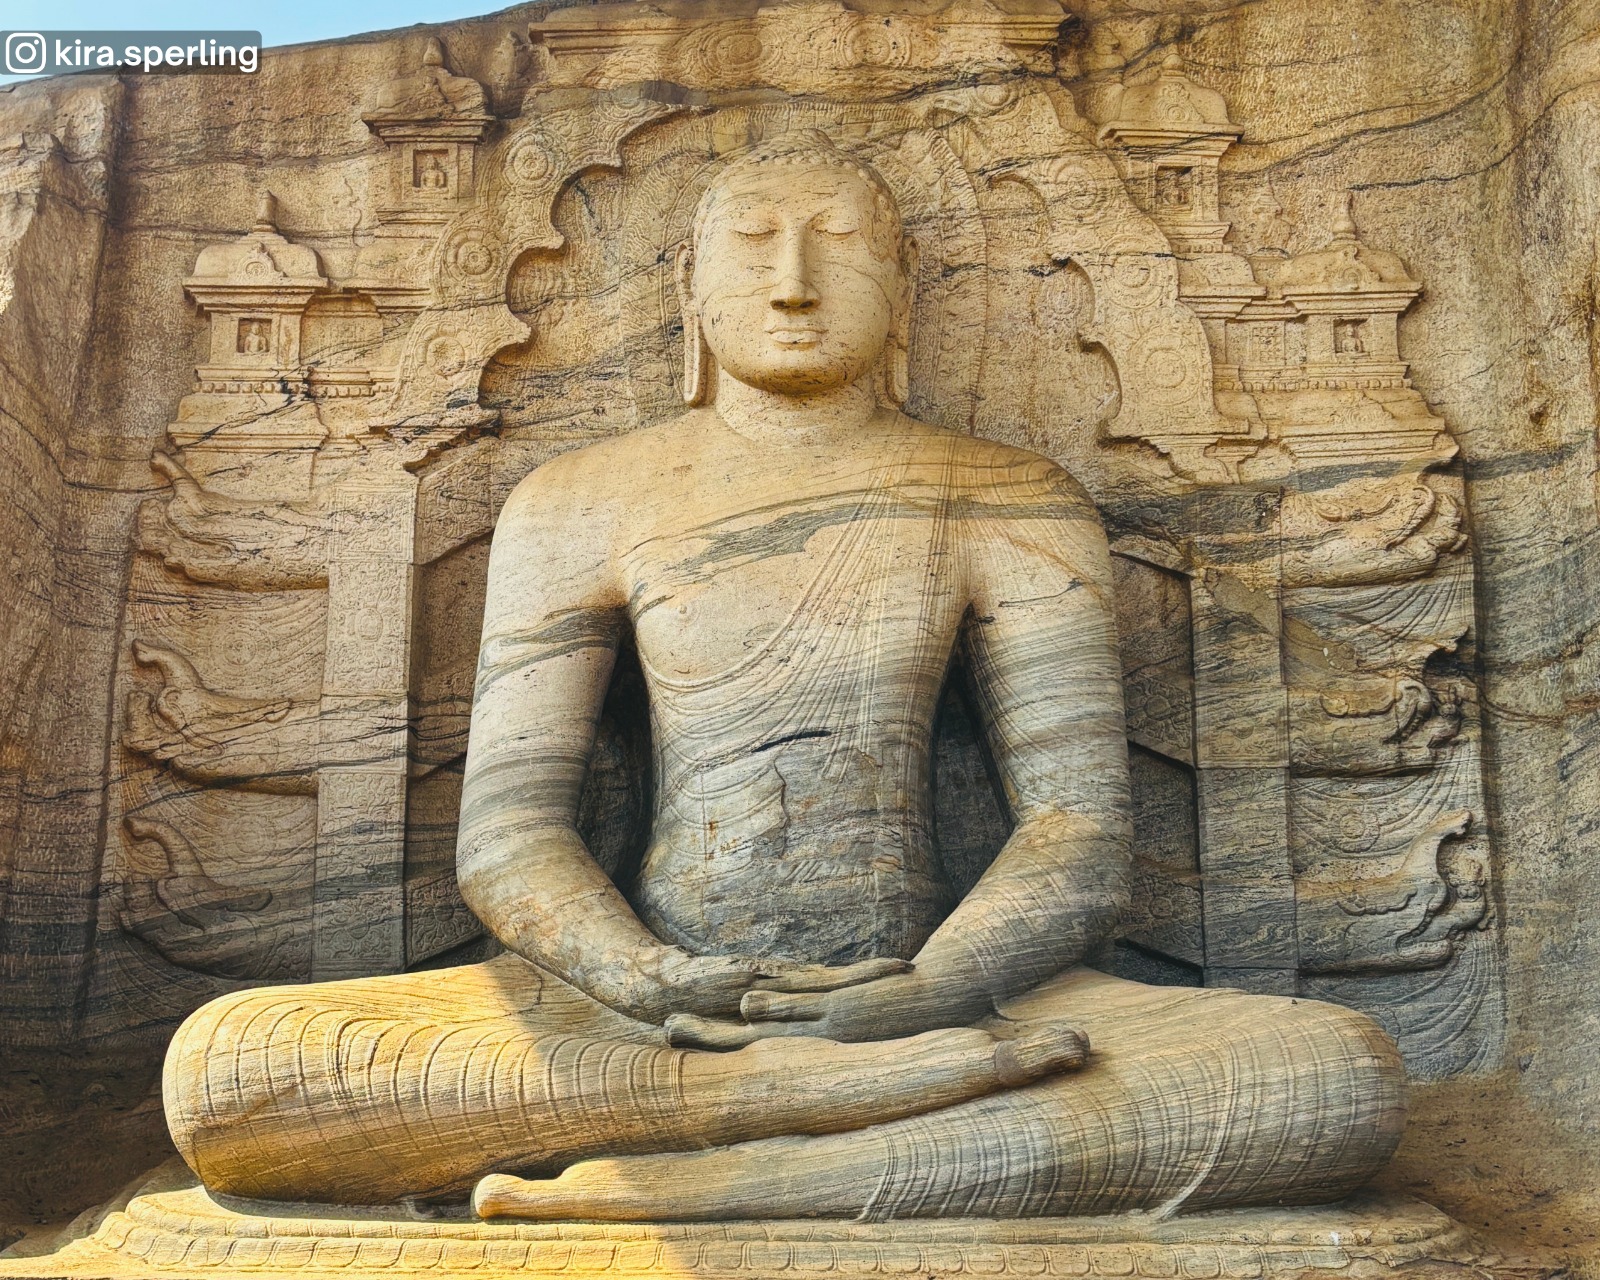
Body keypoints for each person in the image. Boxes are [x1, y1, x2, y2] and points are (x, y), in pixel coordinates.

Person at [162, 134, 1405, 1221]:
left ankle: (734, 1166)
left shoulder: (1006, 495)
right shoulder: (579, 501)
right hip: (644, 1015)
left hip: (942, 999)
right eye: (751, 244)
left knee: (1330, 1076)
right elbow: (508, 834)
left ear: (904, 285)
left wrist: (932, 991)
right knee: (229, 1068)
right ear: (691, 294)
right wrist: (643, 976)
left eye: (840, 242)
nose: (794, 281)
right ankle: (792, 1106)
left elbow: (1076, 829)